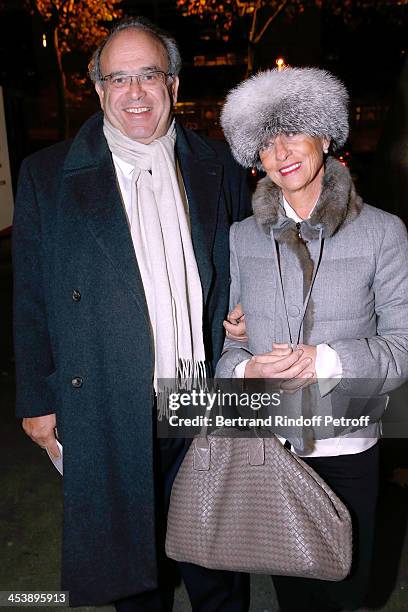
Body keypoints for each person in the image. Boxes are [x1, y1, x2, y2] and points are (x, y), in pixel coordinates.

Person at [13, 17, 252, 611]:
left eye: (149, 75)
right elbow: (33, 296)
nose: (135, 92)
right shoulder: (48, 175)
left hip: (203, 399)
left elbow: (247, 261)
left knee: (216, 561)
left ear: (173, 84)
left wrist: (252, 319)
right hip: (110, 401)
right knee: (133, 572)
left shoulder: (216, 163)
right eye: (118, 79)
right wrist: (35, 402)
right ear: (97, 90)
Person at [217, 67, 408, 611]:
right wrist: (244, 370)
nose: (281, 152)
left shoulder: (383, 233)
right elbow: (229, 347)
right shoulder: (241, 238)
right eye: (266, 142)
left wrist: (324, 359)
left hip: (347, 441)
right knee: (294, 594)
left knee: (350, 590)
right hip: (269, 447)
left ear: (326, 136)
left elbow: (402, 345)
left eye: (295, 132)